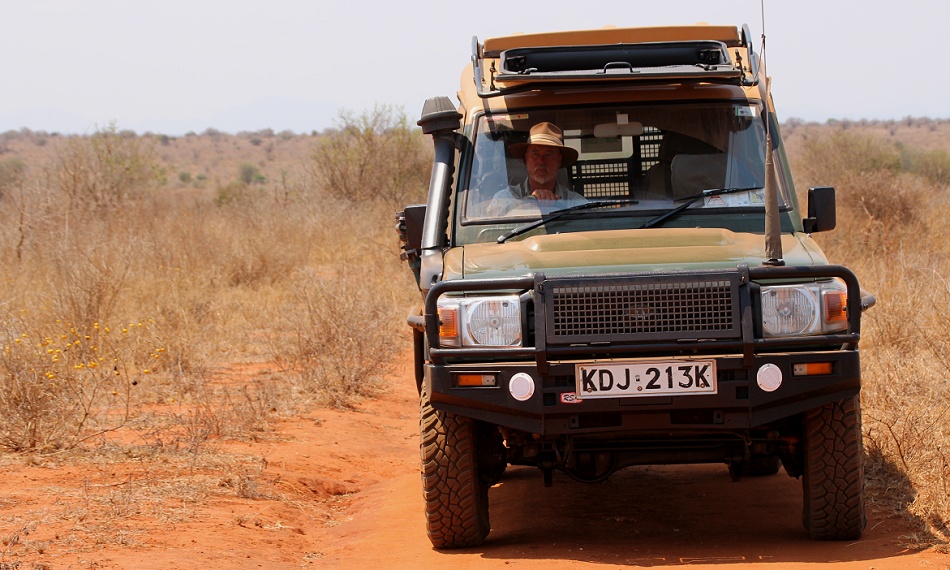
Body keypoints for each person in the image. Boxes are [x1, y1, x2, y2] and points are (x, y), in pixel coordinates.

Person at [486, 122, 585, 216]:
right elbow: (492, 223)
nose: (541, 161)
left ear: (559, 160)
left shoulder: (575, 202)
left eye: (548, 155)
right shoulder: (505, 197)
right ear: (526, 159)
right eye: (535, 154)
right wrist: (529, 202)